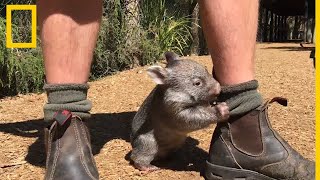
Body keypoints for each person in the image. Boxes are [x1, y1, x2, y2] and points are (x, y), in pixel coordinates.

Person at [37, 0, 315, 179]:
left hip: (173, 131)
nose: (210, 86)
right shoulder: (173, 98)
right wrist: (212, 114)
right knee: (148, 143)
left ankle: (243, 115)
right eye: (198, 83)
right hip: (154, 135)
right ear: (162, 81)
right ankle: (67, 117)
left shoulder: (183, 87)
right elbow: (185, 118)